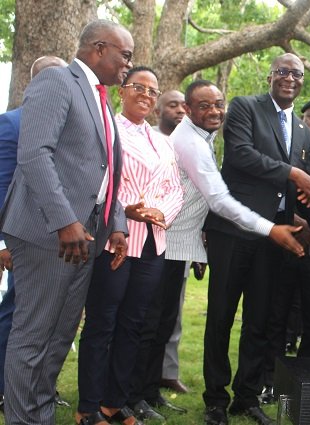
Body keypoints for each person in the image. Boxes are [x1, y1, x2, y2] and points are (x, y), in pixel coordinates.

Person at [0, 19, 132, 425]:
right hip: (47, 234)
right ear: (98, 48)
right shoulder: (58, 80)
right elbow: (34, 155)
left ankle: (39, 414)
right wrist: (65, 221)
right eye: (124, 55)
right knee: (33, 335)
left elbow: (102, 170)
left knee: (59, 337)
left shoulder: (100, 98)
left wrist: (118, 223)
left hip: (86, 237)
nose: (128, 64)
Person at [202, 53, 310, 425]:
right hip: (235, 230)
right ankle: (215, 400)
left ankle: (247, 395)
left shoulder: (303, 131)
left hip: (277, 236)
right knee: (221, 316)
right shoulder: (244, 107)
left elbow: (297, 183)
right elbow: (240, 156)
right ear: (271, 76)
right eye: (283, 71)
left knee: (261, 320)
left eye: (297, 74)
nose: (290, 78)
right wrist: (293, 174)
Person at [76, 65, 184, 425]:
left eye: (153, 91)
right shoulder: (109, 132)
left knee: (134, 323)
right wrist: (127, 215)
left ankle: (113, 402)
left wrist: (157, 211)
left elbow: (175, 190)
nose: (147, 95)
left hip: (153, 242)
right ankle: (89, 407)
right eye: (139, 87)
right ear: (122, 91)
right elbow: (105, 184)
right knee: (103, 323)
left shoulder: (162, 141)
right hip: (116, 240)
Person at [0, 56, 69, 414]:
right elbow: (1, 184)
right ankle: (6, 389)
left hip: (58, 240)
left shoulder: (65, 123)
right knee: (17, 315)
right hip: (21, 237)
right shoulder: (11, 124)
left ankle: (35, 390)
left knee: (47, 322)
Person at [262, 95, 310, 401]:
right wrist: (299, 223)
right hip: (287, 244)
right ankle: (270, 382)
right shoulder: (290, 150)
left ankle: (305, 383)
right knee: (276, 319)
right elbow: (276, 193)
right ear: (302, 120)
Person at [151, 88, 192, 396]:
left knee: (172, 313)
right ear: (158, 110)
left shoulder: (191, 144)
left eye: (183, 106)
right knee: (147, 313)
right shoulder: (148, 139)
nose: (180, 111)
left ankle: (166, 374)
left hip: (182, 240)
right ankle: (140, 381)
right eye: (172, 105)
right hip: (148, 239)